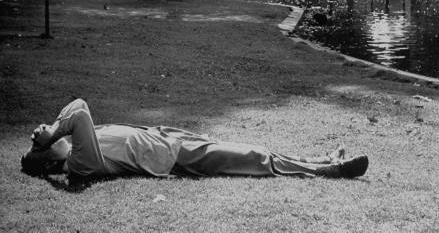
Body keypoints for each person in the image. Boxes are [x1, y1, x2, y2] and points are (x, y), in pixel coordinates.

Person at [21, 99, 369, 182]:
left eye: (37, 136)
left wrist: (51, 134)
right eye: (38, 145)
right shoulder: (81, 164)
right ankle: (331, 170)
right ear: (50, 159)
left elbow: (77, 115)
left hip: (171, 138)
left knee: (257, 152)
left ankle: (317, 158)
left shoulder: (83, 144)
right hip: (178, 157)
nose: (38, 134)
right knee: (255, 157)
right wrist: (52, 132)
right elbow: (79, 110)